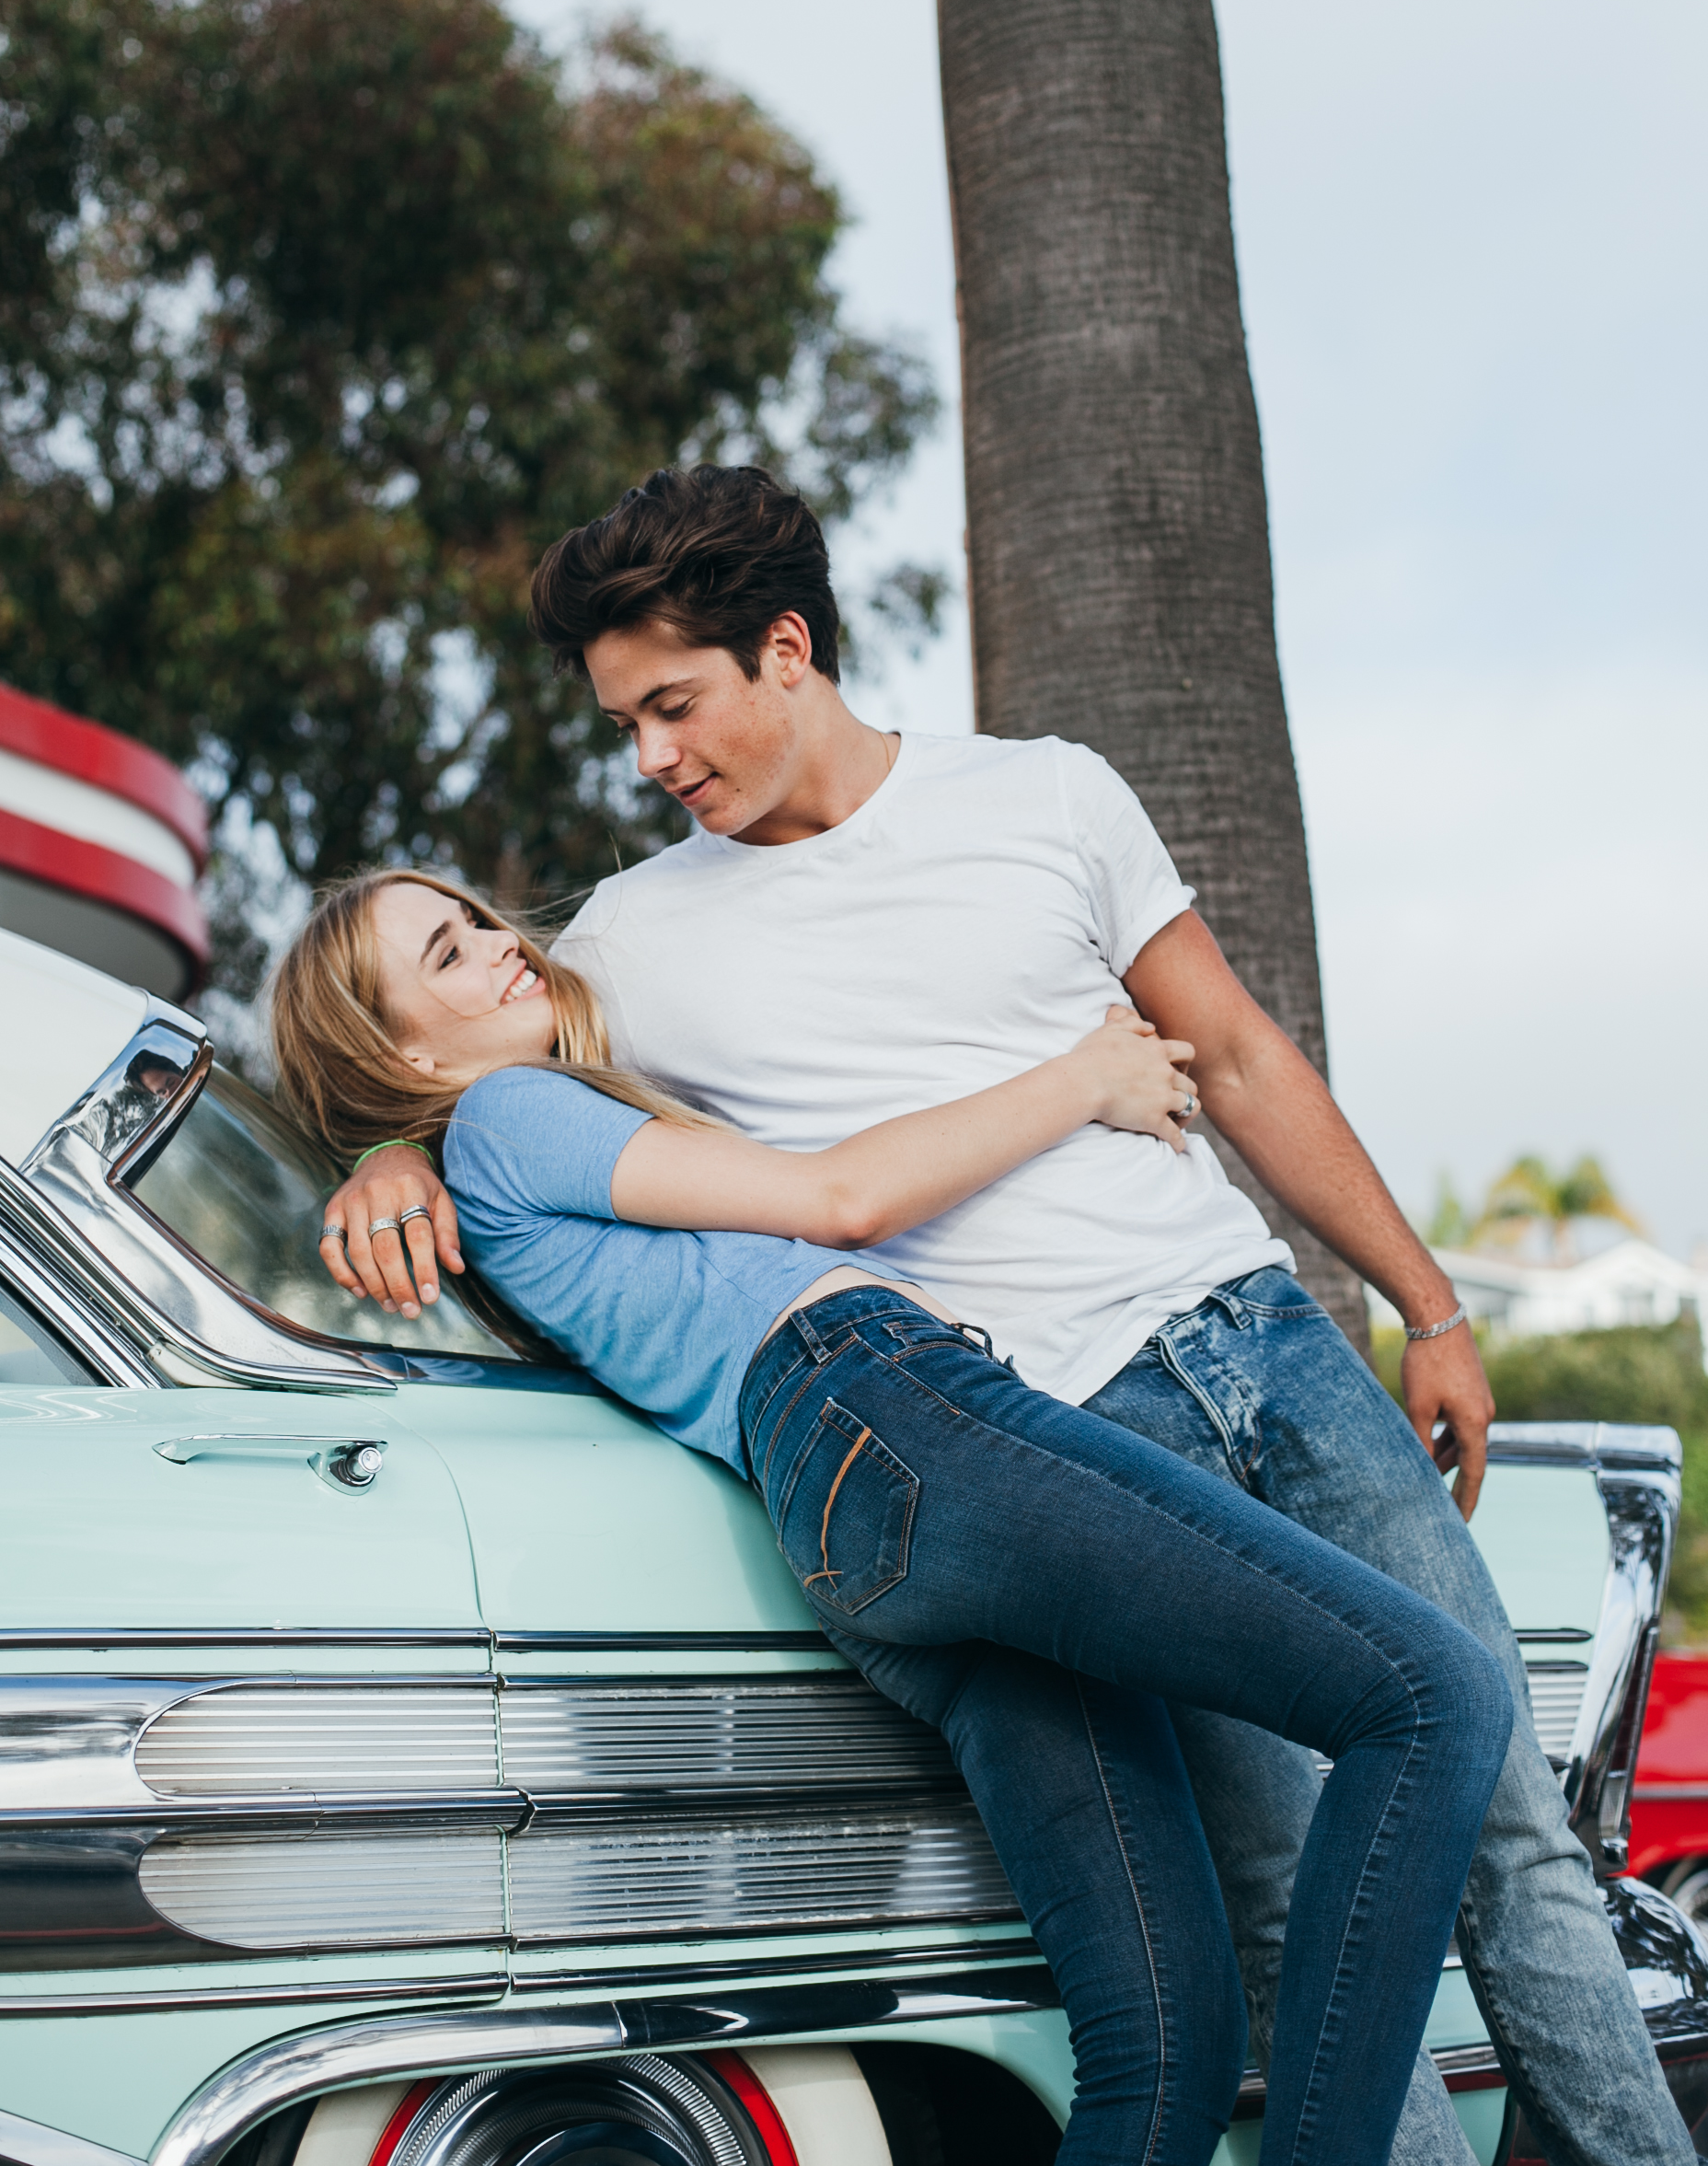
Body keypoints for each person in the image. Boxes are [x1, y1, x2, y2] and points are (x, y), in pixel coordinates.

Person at [326, 464, 1689, 2166]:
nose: (652, 759)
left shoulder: (1044, 795)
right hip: (1042, 1423)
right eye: (626, 725)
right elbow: (487, 1080)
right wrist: (389, 1155)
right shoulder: (629, 940)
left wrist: (1426, 1304)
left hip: (1258, 1331)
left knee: (1513, 1838)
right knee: (1275, 1900)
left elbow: (1245, 1056)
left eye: (674, 706)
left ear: (788, 649)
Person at [276, 867, 1511, 2166]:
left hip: (858, 1530)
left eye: (475, 918)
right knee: (1434, 1699)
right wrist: (1087, 1078)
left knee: (1167, 2046)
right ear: (402, 1045)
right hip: (897, 1421)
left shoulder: (485, 1150)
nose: (494, 943)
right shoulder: (512, 1117)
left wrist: (384, 1149)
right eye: (446, 954)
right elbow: (840, 1201)